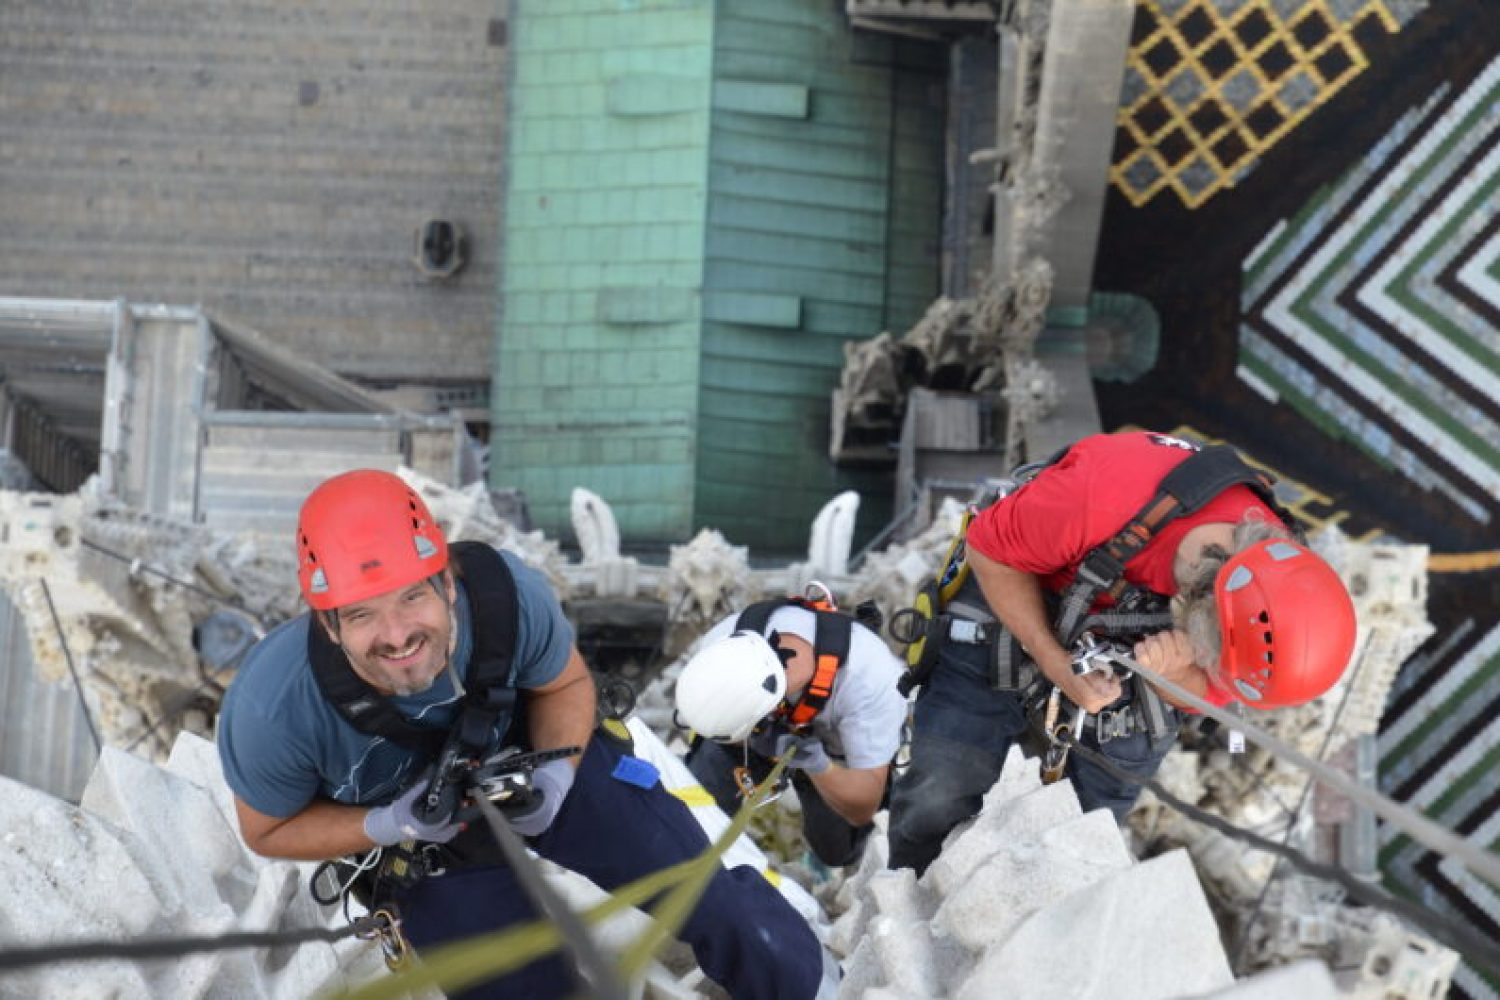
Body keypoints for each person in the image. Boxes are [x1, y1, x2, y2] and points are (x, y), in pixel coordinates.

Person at [217, 469, 824, 999]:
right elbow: (265, 828)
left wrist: (558, 778)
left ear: (446, 584)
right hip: (420, 839)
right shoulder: (274, 707)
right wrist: (384, 825)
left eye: (412, 598)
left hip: (535, 754)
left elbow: (564, 687)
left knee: (716, 902)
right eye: (361, 615)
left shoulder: (505, 596)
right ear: (328, 625)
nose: (397, 634)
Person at [886, 431, 1357, 874]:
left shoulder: (1277, 585)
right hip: (1021, 580)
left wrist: (1167, 678)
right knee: (937, 792)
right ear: (1202, 603)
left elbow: (1208, 686)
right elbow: (990, 554)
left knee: (1092, 838)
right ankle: (910, 883)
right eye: (1205, 650)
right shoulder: (1100, 497)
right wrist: (1054, 661)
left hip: (1136, 647)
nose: (1206, 665)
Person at [675, 593, 906, 868]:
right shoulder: (720, 645)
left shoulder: (871, 681)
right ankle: (686, 859)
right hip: (752, 726)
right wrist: (751, 741)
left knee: (837, 851)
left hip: (834, 744)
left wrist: (818, 766)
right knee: (694, 812)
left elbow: (862, 805)